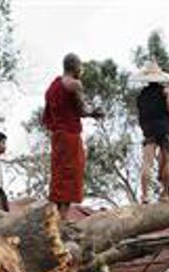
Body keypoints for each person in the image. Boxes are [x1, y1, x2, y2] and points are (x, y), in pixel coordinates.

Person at [43, 53, 104, 219]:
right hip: (70, 134)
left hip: (57, 136)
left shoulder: (51, 88)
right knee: (71, 174)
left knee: (58, 174)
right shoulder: (74, 84)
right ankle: (63, 217)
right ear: (75, 67)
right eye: (80, 67)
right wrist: (94, 113)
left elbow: (47, 116)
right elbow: (81, 110)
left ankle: (56, 216)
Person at [133, 62, 169, 203]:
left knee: (147, 162)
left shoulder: (141, 96)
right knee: (167, 161)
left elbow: (141, 115)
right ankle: (164, 193)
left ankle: (145, 196)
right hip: (164, 128)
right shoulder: (164, 92)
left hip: (149, 129)